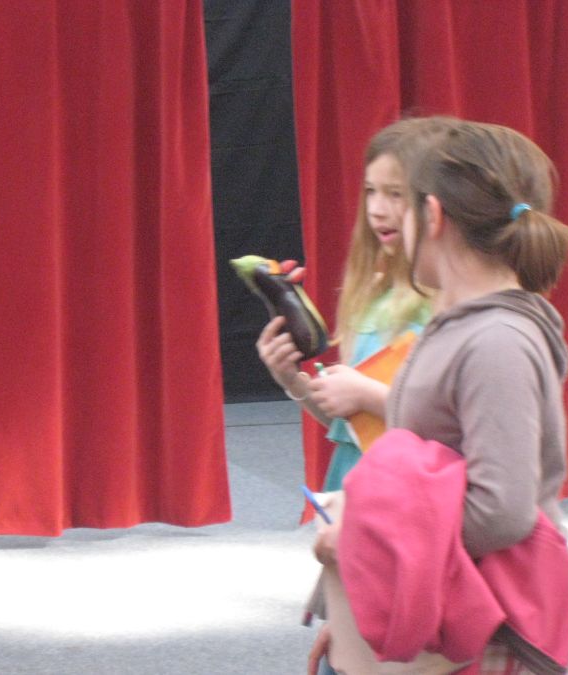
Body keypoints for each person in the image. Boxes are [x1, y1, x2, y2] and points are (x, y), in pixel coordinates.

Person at [314, 117, 568, 673]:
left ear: (432, 216)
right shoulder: (461, 325)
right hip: (429, 620)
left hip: (473, 633)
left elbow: (500, 511)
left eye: (403, 204)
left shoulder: (497, 341)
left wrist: (365, 542)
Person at [254, 119, 433, 674]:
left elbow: (450, 428)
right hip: (355, 499)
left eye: (396, 194)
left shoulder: (448, 300)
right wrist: (295, 383)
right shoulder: (371, 290)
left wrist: (369, 393)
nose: (378, 210)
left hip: (412, 510)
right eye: (371, 192)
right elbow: (348, 421)